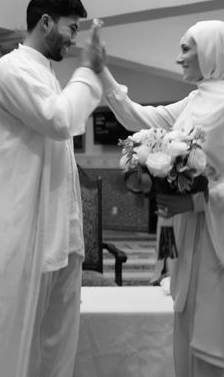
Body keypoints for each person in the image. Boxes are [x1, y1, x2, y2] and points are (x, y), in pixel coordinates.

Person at [0, 0, 105, 377]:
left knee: (56, 349)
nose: (74, 40)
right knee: (17, 348)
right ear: (45, 22)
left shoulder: (46, 72)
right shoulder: (12, 68)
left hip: (60, 234)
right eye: (72, 29)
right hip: (26, 237)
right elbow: (58, 120)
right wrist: (88, 70)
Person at [97, 20, 224, 377]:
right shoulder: (196, 99)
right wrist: (102, 72)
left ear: (212, 51)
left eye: (187, 49)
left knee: (210, 342)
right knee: (185, 335)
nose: (178, 57)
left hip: (215, 240)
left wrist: (198, 202)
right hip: (185, 234)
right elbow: (139, 117)